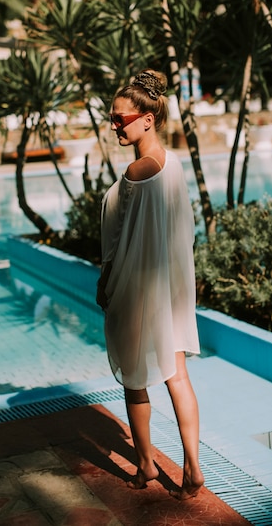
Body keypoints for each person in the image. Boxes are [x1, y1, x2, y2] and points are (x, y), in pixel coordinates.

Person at [97, 69, 204, 500]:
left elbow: (118, 241)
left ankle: (145, 466)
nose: (114, 125)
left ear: (147, 118)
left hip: (137, 290)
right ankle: (193, 470)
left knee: (135, 380)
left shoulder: (136, 173)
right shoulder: (173, 163)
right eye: (112, 117)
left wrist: (106, 284)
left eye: (120, 118)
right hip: (169, 292)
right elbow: (184, 232)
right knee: (177, 375)